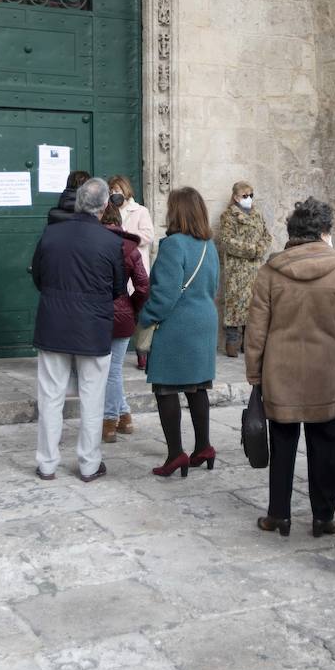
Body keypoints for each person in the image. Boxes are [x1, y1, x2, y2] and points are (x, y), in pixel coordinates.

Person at [244, 198, 335, 538]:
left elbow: (256, 330)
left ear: (292, 232)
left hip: (280, 372)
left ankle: (279, 516)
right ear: (325, 231)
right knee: (326, 445)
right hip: (325, 373)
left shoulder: (270, 272)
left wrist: (255, 374)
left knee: (283, 444)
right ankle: (323, 518)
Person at [32, 178, 127, 481]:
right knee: (92, 397)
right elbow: (117, 287)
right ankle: (88, 463)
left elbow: (39, 277)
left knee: (50, 396)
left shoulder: (51, 234)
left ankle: (47, 463)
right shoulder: (111, 242)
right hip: (93, 328)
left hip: (54, 324)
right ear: (103, 207)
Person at [139, 187, 220, 478]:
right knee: (197, 386)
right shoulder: (209, 245)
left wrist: (146, 318)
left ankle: (175, 454)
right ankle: (203, 447)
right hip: (204, 320)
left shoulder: (174, 245)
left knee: (165, 387)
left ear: (178, 212)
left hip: (178, 325)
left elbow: (164, 294)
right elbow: (213, 286)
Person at [100, 198, 150, 443]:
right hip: (123, 314)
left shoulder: (94, 244)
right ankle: (125, 416)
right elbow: (143, 285)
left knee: (107, 372)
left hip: (97, 314)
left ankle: (109, 422)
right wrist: (132, 306)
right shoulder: (131, 248)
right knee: (114, 370)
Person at [217, 181, 272, 357]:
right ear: (235, 197)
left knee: (254, 307)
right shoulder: (228, 216)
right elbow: (226, 241)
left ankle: (249, 345)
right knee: (235, 307)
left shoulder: (257, 214)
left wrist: (261, 249)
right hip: (236, 271)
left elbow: (267, 236)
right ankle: (232, 344)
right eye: (244, 196)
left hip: (256, 269)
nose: (248, 199)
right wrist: (252, 250)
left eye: (251, 195)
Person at [109, 175, 155, 369]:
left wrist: (127, 236)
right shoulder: (107, 211)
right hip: (116, 269)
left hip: (136, 266)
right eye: (111, 191)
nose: (114, 194)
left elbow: (148, 235)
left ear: (126, 190)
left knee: (143, 311)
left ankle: (142, 351)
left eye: (117, 190)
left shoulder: (140, 211)